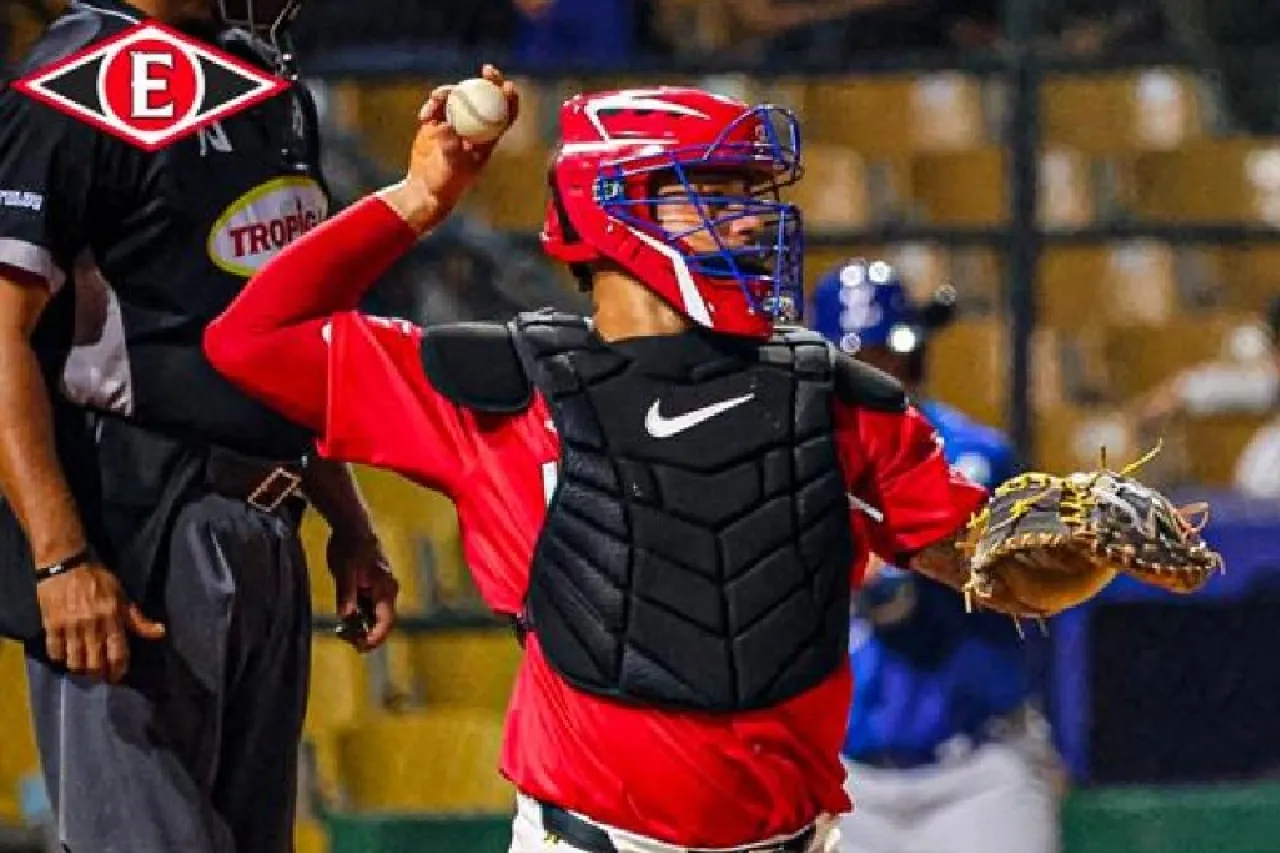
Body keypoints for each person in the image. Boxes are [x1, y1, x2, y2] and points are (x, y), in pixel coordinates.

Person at [203, 72, 1078, 852]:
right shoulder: (500, 385)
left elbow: (988, 563)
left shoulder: (837, 398)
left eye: (752, 191)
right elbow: (251, 338)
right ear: (613, 206)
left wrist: (1072, 552)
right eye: (716, 191)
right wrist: (418, 200)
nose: (752, 214)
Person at [0, 2, 399, 851]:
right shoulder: (76, 80)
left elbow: (294, 333)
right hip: (137, 533)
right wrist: (61, 557)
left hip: (268, 526)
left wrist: (351, 520)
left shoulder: (265, 85)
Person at [808, 260, 1062, 853]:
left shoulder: (972, 456)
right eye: (862, 362)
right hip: (846, 777)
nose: (881, 375)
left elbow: (913, 604)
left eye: (891, 358)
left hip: (976, 768)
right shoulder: (793, 462)